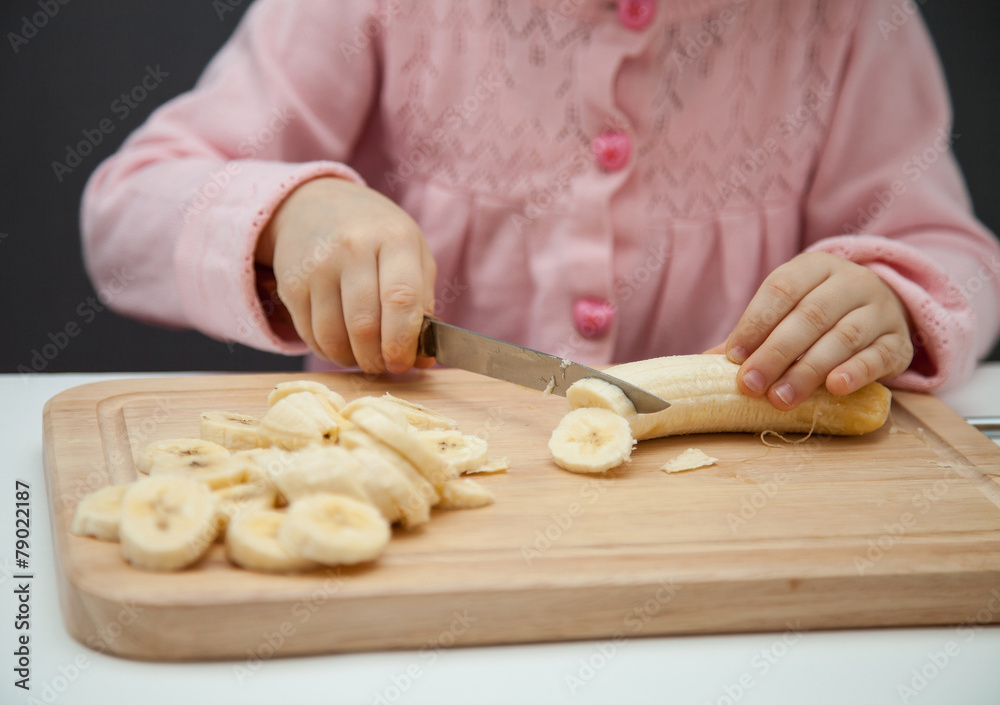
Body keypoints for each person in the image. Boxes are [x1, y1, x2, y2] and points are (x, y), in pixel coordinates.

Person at [81, 0, 1000, 410]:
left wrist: (891, 298)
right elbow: (123, 215)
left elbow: (947, 249)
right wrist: (288, 215)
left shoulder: (846, 18)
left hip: (715, 545)